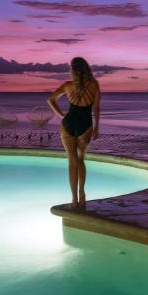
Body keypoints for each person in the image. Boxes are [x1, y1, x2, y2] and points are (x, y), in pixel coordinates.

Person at [47, 57, 100, 210]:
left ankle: (74, 200)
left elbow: (50, 100)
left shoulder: (67, 85)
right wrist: (96, 127)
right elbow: (96, 108)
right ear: (86, 69)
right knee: (81, 160)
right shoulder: (94, 85)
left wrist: (61, 115)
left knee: (72, 162)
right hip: (85, 124)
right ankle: (82, 194)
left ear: (73, 71)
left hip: (68, 123)